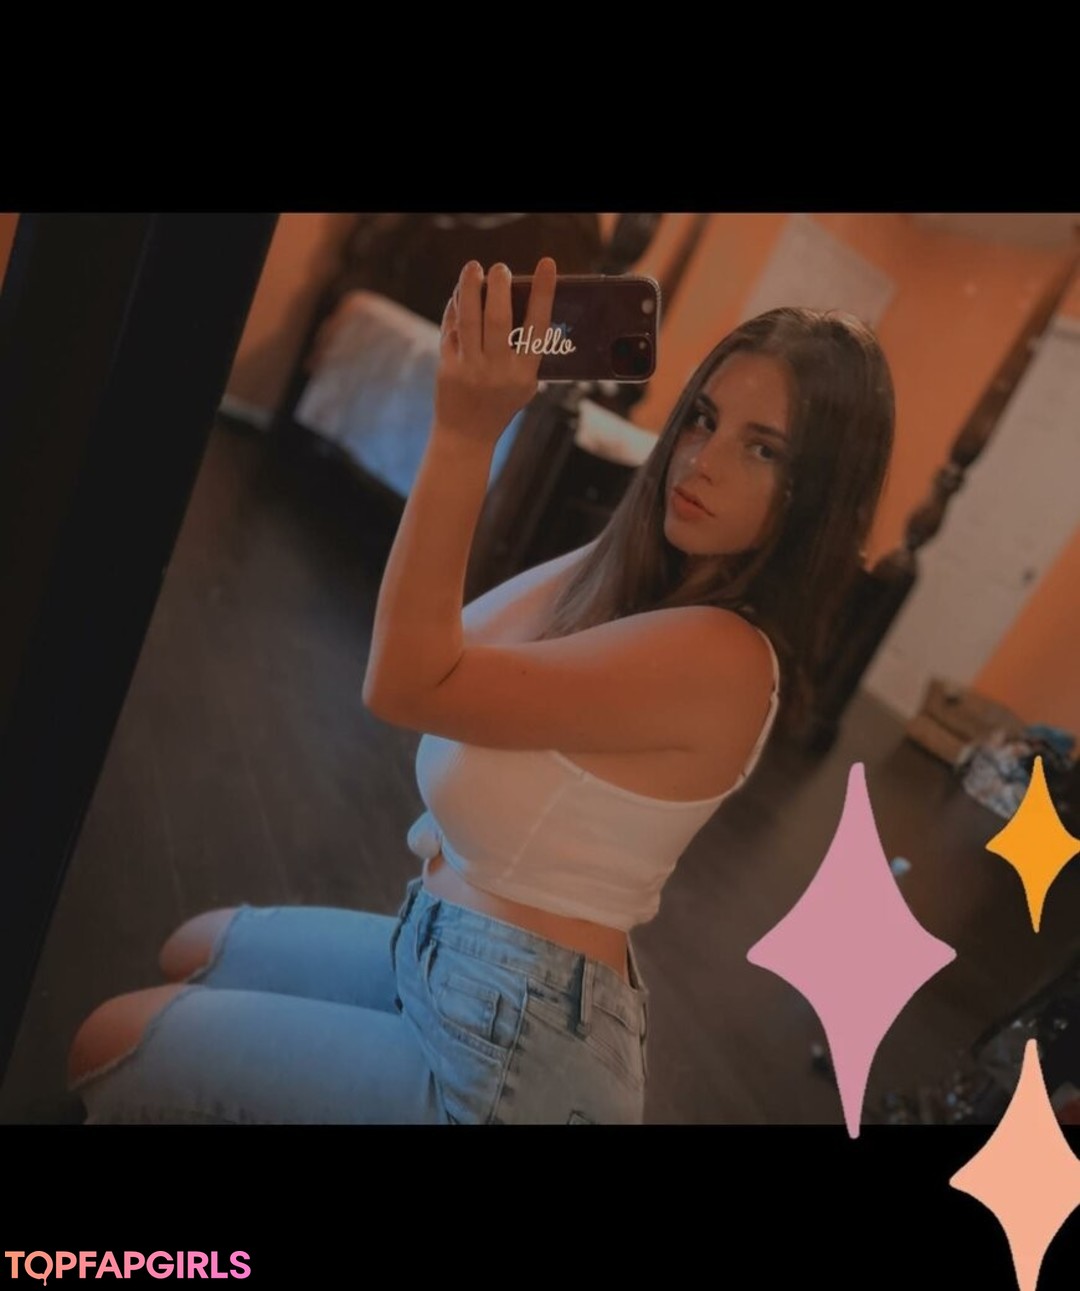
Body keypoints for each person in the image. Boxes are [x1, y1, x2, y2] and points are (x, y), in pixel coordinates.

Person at [67, 259, 895, 1124]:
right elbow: (456, 639)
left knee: (108, 1040)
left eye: (764, 449)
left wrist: (464, 433)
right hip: (443, 947)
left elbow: (408, 679)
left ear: (819, 497)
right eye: (703, 418)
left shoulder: (725, 655)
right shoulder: (651, 578)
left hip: (519, 1055)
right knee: (193, 947)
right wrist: (521, 406)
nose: (702, 461)